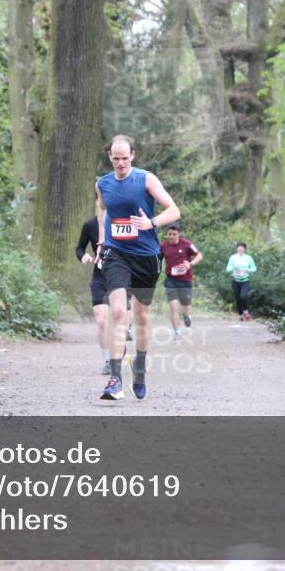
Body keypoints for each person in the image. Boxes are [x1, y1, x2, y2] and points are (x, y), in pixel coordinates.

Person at [96, 135, 180, 400]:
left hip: (146, 255)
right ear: (109, 156)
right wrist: (101, 239)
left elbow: (174, 210)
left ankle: (140, 367)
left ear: (133, 155)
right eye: (115, 158)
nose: (120, 163)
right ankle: (115, 379)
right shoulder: (102, 183)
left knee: (142, 316)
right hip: (116, 252)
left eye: (125, 158)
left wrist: (151, 223)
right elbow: (101, 209)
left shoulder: (146, 179)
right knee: (118, 311)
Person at [75, 214, 132, 375]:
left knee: (119, 316)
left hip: (121, 276)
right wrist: (83, 256)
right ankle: (108, 360)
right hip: (100, 277)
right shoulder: (90, 225)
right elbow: (79, 248)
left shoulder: (124, 222)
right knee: (101, 321)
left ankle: (125, 332)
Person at [159, 224, 202, 342]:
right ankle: (177, 333)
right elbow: (157, 259)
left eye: (174, 234)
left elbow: (199, 255)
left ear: (178, 234)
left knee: (186, 308)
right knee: (173, 307)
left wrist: (190, 264)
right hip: (171, 280)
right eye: (169, 234)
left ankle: (187, 316)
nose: (171, 237)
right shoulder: (163, 246)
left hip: (185, 280)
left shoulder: (186, 244)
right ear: (167, 235)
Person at [225, 242, 256, 321]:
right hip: (235, 281)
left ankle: (246, 312)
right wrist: (233, 268)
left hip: (245, 281)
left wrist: (247, 270)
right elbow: (228, 269)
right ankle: (241, 315)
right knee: (238, 299)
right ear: (237, 249)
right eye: (239, 248)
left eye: (242, 248)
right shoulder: (233, 257)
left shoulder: (248, 258)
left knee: (243, 297)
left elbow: (254, 268)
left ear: (245, 249)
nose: (240, 249)